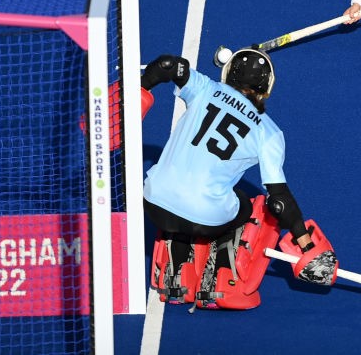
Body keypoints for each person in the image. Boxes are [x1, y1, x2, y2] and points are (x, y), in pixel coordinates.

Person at [141, 50, 337, 308]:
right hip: (204, 219)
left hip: (153, 202)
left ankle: (177, 276)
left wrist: (133, 97)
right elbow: (279, 201)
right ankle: (220, 280)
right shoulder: (269, 132)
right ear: (267, 88)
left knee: (181, 187)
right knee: (252, 207)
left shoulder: (204, 88)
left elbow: (167, 66)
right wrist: (304, 239)